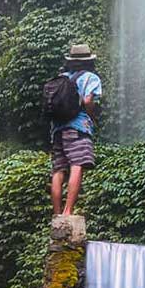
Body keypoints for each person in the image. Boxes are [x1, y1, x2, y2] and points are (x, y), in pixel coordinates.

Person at [50, 44, 101, 216]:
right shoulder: (90, 78)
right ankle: (68, 212)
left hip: (57, 129)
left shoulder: (61, 77)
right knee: (77, 165)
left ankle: (57, 214)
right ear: (89, 61)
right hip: (78, 127)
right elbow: (87, 101)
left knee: (58, 170)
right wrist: (92, 116)